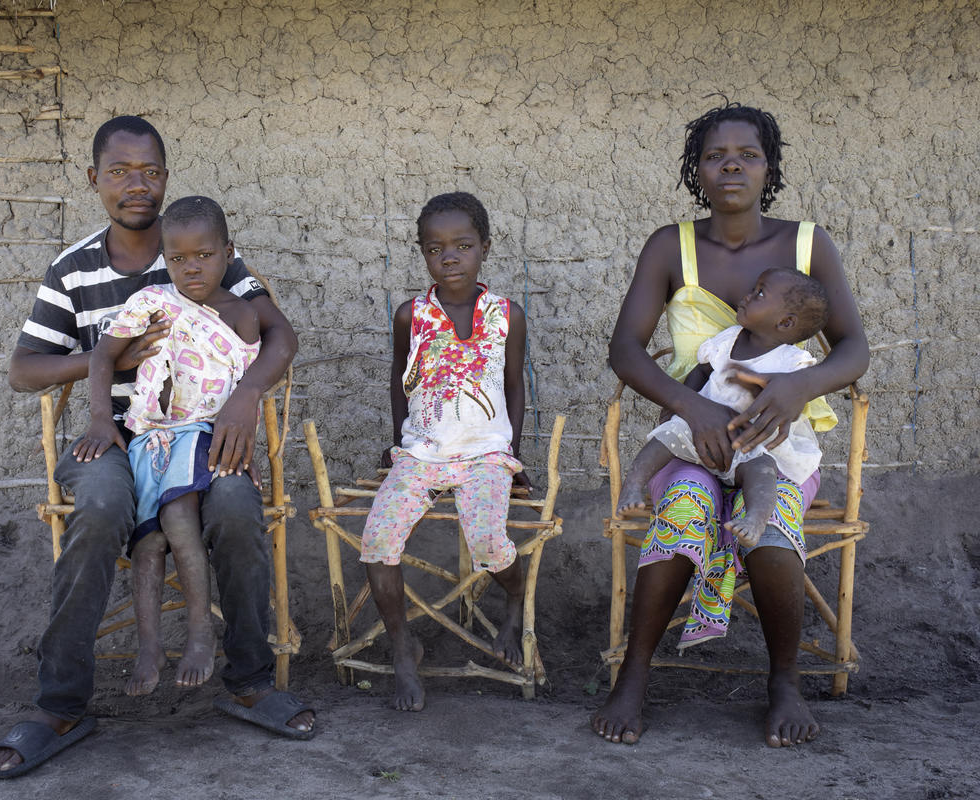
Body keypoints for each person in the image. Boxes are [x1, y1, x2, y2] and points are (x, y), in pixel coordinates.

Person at [0, 116, 313, 780]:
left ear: (166, 178)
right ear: (94, 179)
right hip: (110, 435)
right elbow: (23, 369)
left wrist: (248, 394)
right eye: (119, 172)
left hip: (203, 430)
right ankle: (60, 705)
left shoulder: (203, 251)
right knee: (101, 508)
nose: (136, 184)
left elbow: (278, 333)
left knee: (235, 503)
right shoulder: (73, 270)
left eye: (150, 171)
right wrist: (112, 358)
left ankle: (250, 681)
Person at [592, 103, 868, 748]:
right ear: (697, 169)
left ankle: (784, 682)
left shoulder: (808, 244)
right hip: (694, 441)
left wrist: (799, 386)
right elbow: (625, 349)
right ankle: (633, 676)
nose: (732, 167)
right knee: (685, 508)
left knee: (768, 526)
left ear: (769, 167)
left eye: (747, 155)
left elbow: (853, 348)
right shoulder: (671, 246)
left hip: (773, 441)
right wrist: (691, 405)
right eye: (715, 156)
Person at [72, 196, 260, 696]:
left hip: (200, 434)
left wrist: (248, 450)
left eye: (204, 255)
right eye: (177, 258)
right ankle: (150, 646)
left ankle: (200, 635)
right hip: (147, 436)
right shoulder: (151, 302)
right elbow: (102, 357)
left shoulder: (242, 316)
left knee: (178, 521)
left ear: (228, 253)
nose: (191, 267)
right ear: (164, 259)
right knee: (147, 542)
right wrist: (99, 419)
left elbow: (245, 390)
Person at [361, 191, 530, 712]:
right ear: (423, 254)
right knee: (377, 541)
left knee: (489, 542)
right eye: (435, 249)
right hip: (422, 454)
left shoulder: (507, 314)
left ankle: (515, 602)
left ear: (485, 248)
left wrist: (514, 456)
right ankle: (403, 649)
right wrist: (400, 442)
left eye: (463, 245)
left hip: (485, 455)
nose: (449, 257)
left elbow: (514, 386)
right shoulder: (410, 315)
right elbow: (399, 379)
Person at [617, 267, 829, 549]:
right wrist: (682, 405)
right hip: (704, 430)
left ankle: (755, 519)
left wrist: (751, 385)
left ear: (786, 322)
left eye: (760, 293)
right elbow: (702, 370)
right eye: (753, 289)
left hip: (751, 443)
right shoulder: (728, 339)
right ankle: (633, 485)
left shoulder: (792, 361)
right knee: (665, 437)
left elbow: (783, 400)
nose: (747, 296)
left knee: (764, 470)